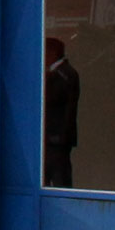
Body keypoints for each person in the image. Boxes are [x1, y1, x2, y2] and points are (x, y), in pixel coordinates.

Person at [43, 36, 81, 188]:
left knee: (60, 179)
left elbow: (54, 98)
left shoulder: (65, 74)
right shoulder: (58, 73)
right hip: (50, 138)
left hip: (57, 138)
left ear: (52, 53)